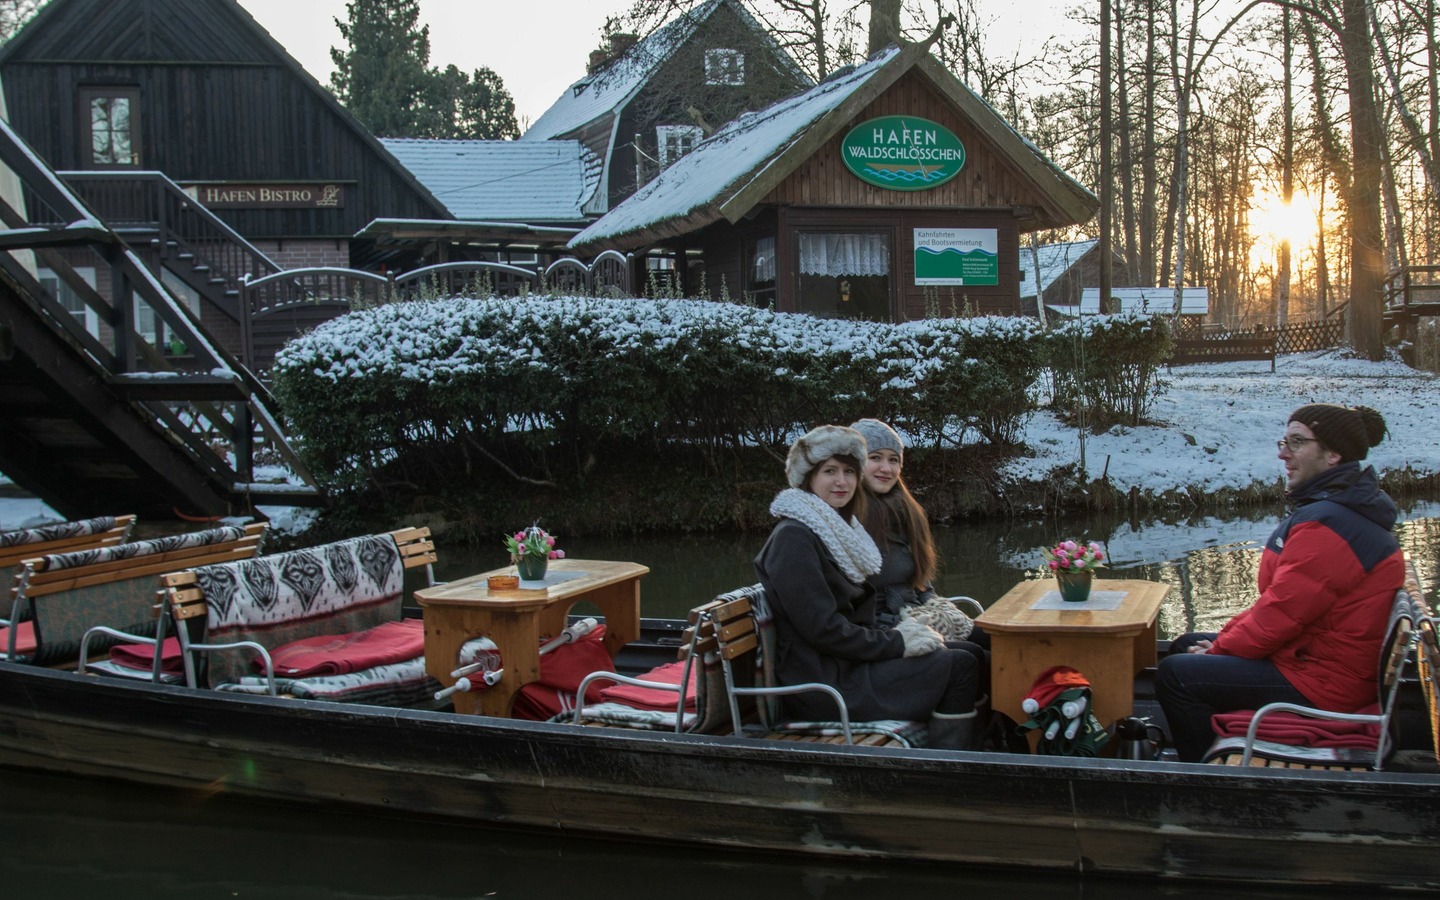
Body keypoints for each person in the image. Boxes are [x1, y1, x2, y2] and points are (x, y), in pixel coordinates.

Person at [1155, 404, 1405, 762]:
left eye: (1297, 442)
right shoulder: (1335, 509)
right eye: (1284, 441)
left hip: (1323, 682)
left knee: (1175, 676)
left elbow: (1281, 614)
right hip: (1314, 660)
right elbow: (1277, 604)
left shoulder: (1332, 525)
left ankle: (1205, 784)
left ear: (1333, 454)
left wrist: (1221, 650)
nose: (1282, 453)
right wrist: (1219, 644)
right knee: (1185, 644)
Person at [753, 424, 983, 750]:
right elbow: (825, 630)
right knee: (959, 665)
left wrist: (900, 637)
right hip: (824, 684)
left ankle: (978, 748)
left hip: (849, 664)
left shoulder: (837, 528)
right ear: (808, 478)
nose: (841, 481)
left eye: (849, 471)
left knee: (970, 650)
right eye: (829, 471)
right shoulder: (794, 538)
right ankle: (950, 767)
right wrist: (897, 643)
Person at [849, 418, 990, 651]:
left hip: (916, 613)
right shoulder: (850, 522)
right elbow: (857, 607)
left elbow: (920, 584)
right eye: (875, 458)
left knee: (999, 641)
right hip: (887, 630)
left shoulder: (906, 512)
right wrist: (906, 622)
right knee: (976, 656)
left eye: (893, 460)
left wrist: (939, 608)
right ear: (855, 464)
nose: (886, 468)